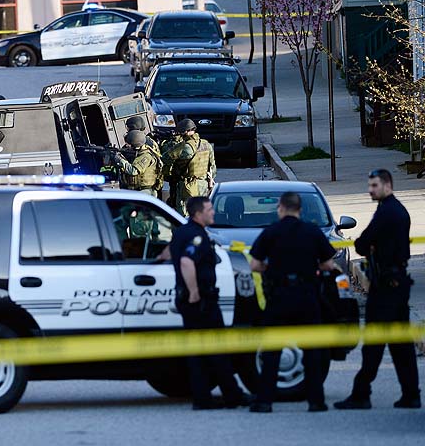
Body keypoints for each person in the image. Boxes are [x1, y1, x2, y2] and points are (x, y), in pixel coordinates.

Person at [334, 169, 421, 410]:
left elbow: (362, 243)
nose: (370, 190)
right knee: (401, 346)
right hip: (396, 285)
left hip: (385, 290)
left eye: (374, 185)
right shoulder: (396, 210)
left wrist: (370, 246)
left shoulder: (387, 213)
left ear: (387, 185)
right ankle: (411, 394)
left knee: (374, 345)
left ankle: (361, 394)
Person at [247, 192, 336, 413]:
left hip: (279, 297)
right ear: (300, 209)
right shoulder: (312, 231)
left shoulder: (271, 232)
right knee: (312, 352)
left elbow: (255, 265)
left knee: (272, 352)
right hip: (307, 296)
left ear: (281, 208)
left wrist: (272, 270)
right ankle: (316, 402)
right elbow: (327, 265)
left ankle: (264, 401)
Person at [170, 196, 251, 410]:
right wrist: (194, 291)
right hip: (202, 302)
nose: (213, 212)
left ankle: (204, 398)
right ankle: (231, 395)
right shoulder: (196, 236)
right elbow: (187, 262)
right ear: (198, 213)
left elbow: (169, 252)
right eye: (209, 209)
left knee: (198, 353)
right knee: (217, 350)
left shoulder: (181, 232)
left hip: (189, 303)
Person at [163, 119, 216, 216]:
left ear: (185, 132)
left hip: (188, 186)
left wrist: (169, 145)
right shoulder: (206, 144)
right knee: (202, 212)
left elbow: (166, 159)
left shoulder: (185, 147)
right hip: (204, 184)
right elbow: (212, 167)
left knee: (184, 213)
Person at [125, 116, 164, 199]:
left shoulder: (138, 143)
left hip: (143, 184)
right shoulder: (150, 142)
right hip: (151, 183)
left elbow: (133, 168)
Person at [114, 130, 161, 197]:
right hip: (139, 191)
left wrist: (121, 160)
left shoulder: (146, 156)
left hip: (146, 191)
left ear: (135, 145)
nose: (127, 146)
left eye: (129, 144)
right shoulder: (139, 153)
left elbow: (133, 171)